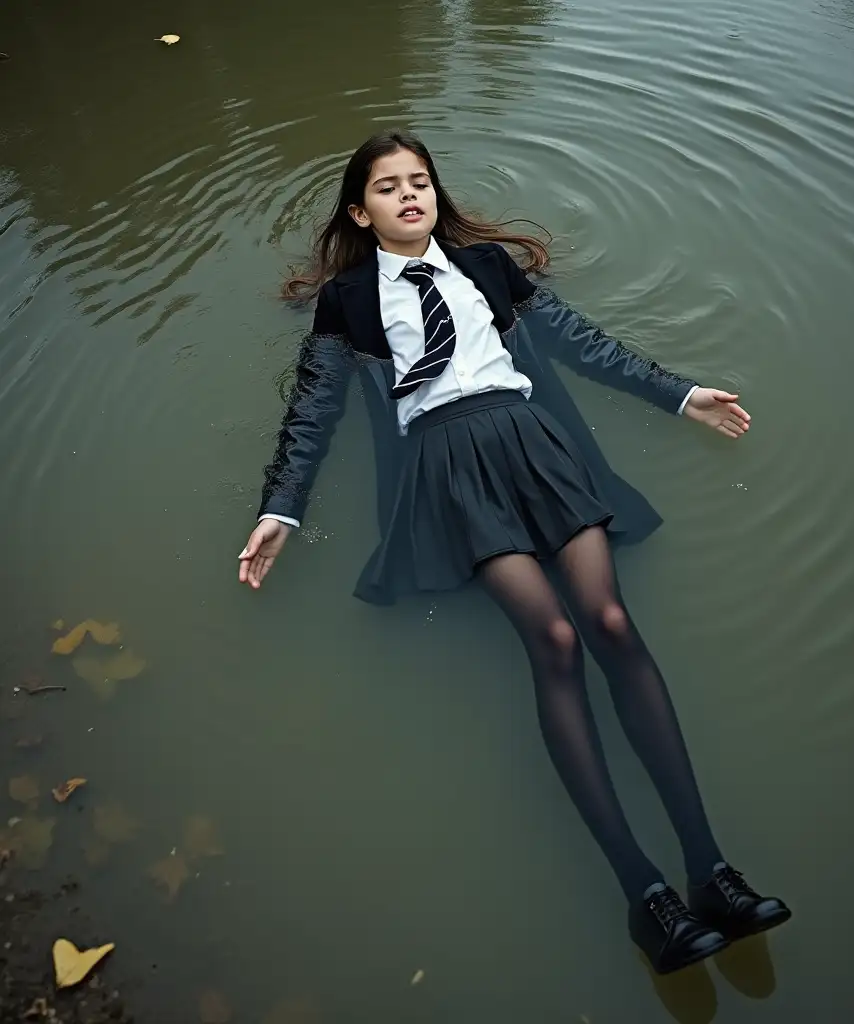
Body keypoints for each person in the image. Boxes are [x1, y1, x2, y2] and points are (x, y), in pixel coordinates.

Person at [238, 129, 791, 974]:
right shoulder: (347, 300)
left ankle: (711, 869)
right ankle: (646, 894)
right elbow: (313, 410)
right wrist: (281, 508)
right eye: (388, 188)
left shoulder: (490, 268)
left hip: (533, 442)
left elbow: (579, 340)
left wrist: (680, 395)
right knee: (557, 639)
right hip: (445, 465)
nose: (410, 196)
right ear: (361, 210)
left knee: (608, 618)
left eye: (419, 181)